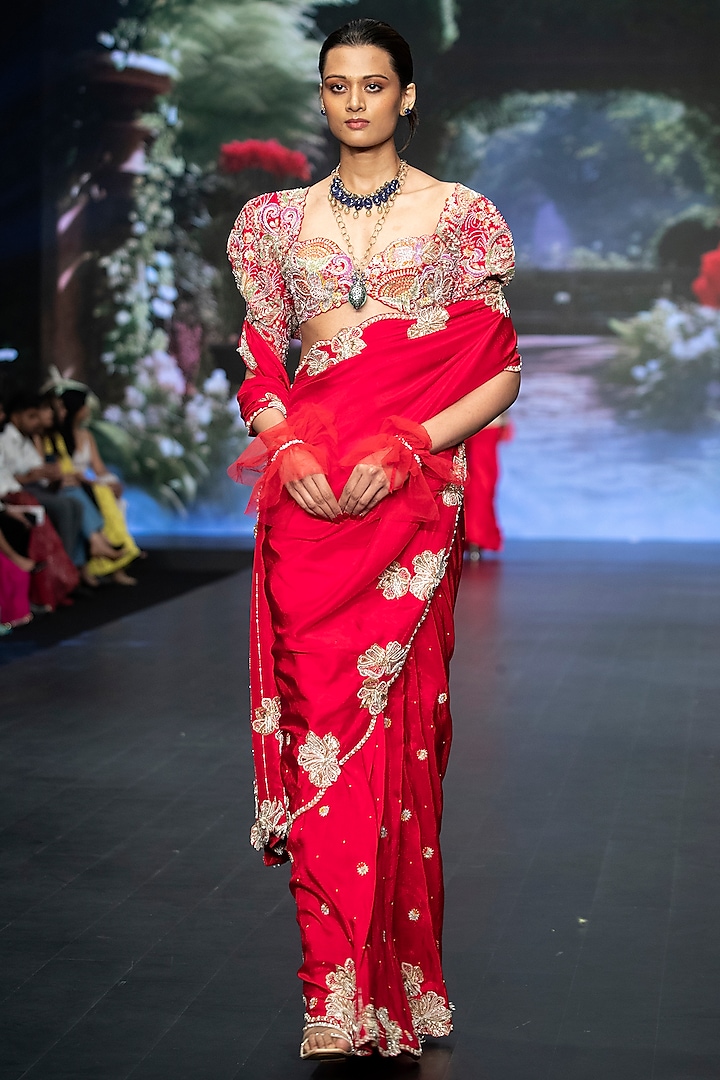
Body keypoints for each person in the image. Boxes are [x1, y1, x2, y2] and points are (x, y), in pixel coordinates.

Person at [226, 19, 521, 1061]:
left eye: (375, 85)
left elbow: (499, 365)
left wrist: (408, 443)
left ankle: (393, 989)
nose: (355, 101)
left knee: (394, 745)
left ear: (406, 99)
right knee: (318, 739)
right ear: (322, 99)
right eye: (337, 85)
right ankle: (332, 991)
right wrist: (283, 443)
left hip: (400, 517)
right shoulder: (273, 225)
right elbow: (261, 361)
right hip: (304, 516)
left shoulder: (459, 219)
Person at [43, 390, 140, 586]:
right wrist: (91, 482)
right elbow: (63, 472)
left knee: (110, 495)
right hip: (72, 485)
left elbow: (98, 468)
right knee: (97, 497)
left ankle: (112, 557)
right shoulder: (54, 438)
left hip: (84, 483)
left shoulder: (84, 435)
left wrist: (109, 480)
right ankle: (98, 551)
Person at [463, 411, 513, 560]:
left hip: (466, 415)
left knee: (476, 479)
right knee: (477, 479)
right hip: (472, 416)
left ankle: (473, 536)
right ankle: (473, 538)